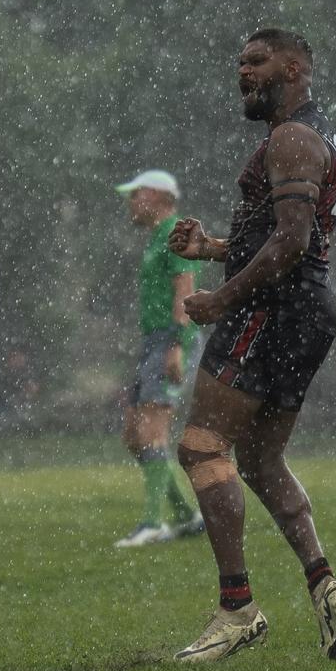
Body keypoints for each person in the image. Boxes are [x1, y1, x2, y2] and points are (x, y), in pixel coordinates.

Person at [168, 28, 336, 662]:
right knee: (260, 461)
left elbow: (293, 243)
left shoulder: (293, 138)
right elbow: (286, 237)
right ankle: (324, 585)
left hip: (271, 309)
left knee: (201, 446)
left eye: (256, 60)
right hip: (304, 311)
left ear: (296, 67)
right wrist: (215, 249)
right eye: (239, 61)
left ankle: (237, 610)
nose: (242, 70)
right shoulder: (313, 135)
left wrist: (222, 298)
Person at [114, 169, 205, 547]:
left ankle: (152, 523)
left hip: (170, 340)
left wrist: (178, 345)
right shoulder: (156, 237)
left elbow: (186, 291)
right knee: (134, 435)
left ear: (155, 195)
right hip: (154, 341)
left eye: (135, 195)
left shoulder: (175, 235)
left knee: (153, 430)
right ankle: (187, 516)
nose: (130, 203)